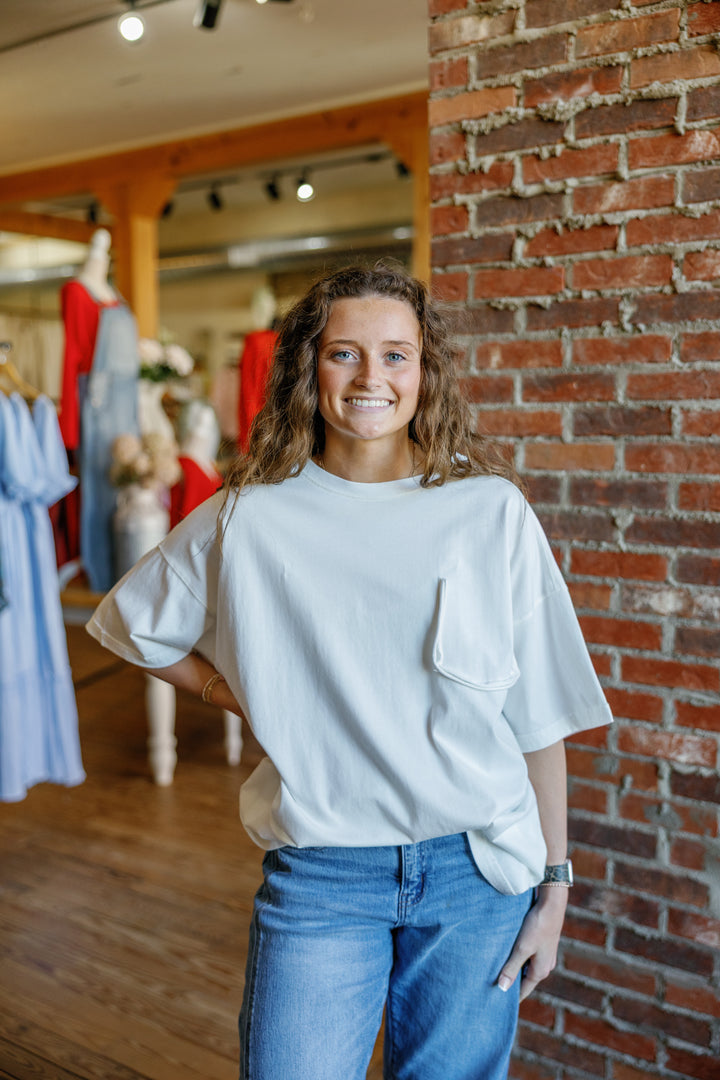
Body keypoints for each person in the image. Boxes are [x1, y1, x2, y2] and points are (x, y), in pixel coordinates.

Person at [86, 262, 612, 1080]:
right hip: (324, 874)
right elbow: (131, 623)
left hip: (478, 871)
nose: (373, 377)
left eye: (397, 355)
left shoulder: (489, 510)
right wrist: (239, 696)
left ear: (425, 371)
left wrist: (554, 890)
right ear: (308, 367)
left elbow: (536, 718)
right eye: (345, 354)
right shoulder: (252, 515)